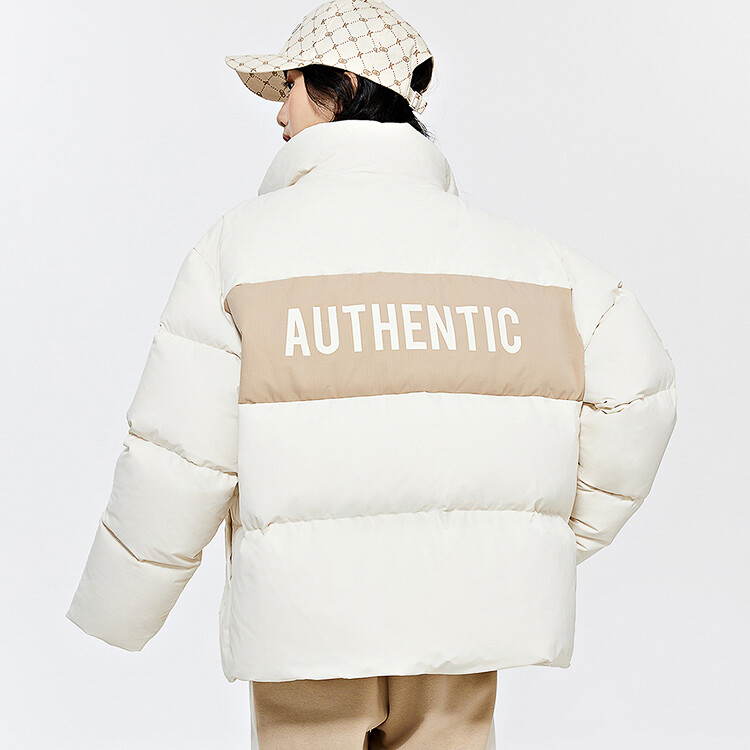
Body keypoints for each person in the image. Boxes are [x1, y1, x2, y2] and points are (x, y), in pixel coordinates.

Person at [65, 1, 678, 748]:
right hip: (465, 607)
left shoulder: (241, 251)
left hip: (306, 617)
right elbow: (639, 393)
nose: (278, 113)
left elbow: (180, 454)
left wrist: (119, 607)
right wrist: (534, 537)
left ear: (344, 87)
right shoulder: (535, 263)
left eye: (290, 86)